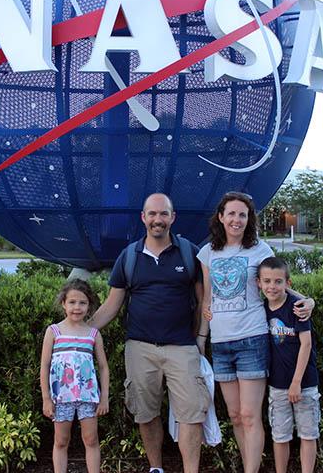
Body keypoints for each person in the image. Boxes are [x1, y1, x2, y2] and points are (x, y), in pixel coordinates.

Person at [90, 193, 209, 473]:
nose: (158, 219)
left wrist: (201, 338)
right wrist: (79, 332)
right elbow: (111, 305)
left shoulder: (189, 253)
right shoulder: (129, 256)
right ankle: (156, 468)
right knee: (145, 413)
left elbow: (205, 301)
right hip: (140, 347)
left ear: (172, 217)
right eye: (152, 214)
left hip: (182, 346)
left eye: (164, 214)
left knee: (191, 413)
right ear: (143, 217)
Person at [199, 191, 314, 473]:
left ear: (249, 219)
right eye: (232, 214)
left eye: (243, 214)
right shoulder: (207, 253)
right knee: (236, 416)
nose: (236, 220)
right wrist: (202, 339)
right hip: (222, 343)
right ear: (221, 217)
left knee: (251, 415)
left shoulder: (260, 250)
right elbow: (206, 299)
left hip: (252, 338)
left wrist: (309, 301)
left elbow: (279, 285)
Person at [40, 279, 110, 473]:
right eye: (72, 302)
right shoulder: (53, 332)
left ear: (89, 306)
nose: (77, 308)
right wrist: (46, 398)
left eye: (82, 303)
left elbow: (103, 367)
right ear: (63, 303)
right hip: (61, 397)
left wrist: (104, 397)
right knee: (61, 441)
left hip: (88, 397)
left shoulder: (93, 334)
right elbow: (44, 366)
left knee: (91, 439)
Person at [259, 256, 319, 473]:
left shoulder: (298, 308)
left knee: (308, 434)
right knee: (280, 436)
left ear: (288, 283)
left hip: (304, 383)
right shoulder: (261, 309)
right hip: (277, 385)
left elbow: (306, 344)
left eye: (278, 281)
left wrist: (296, 382)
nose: (271, 286)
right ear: (259, 283)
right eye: (266, 281)